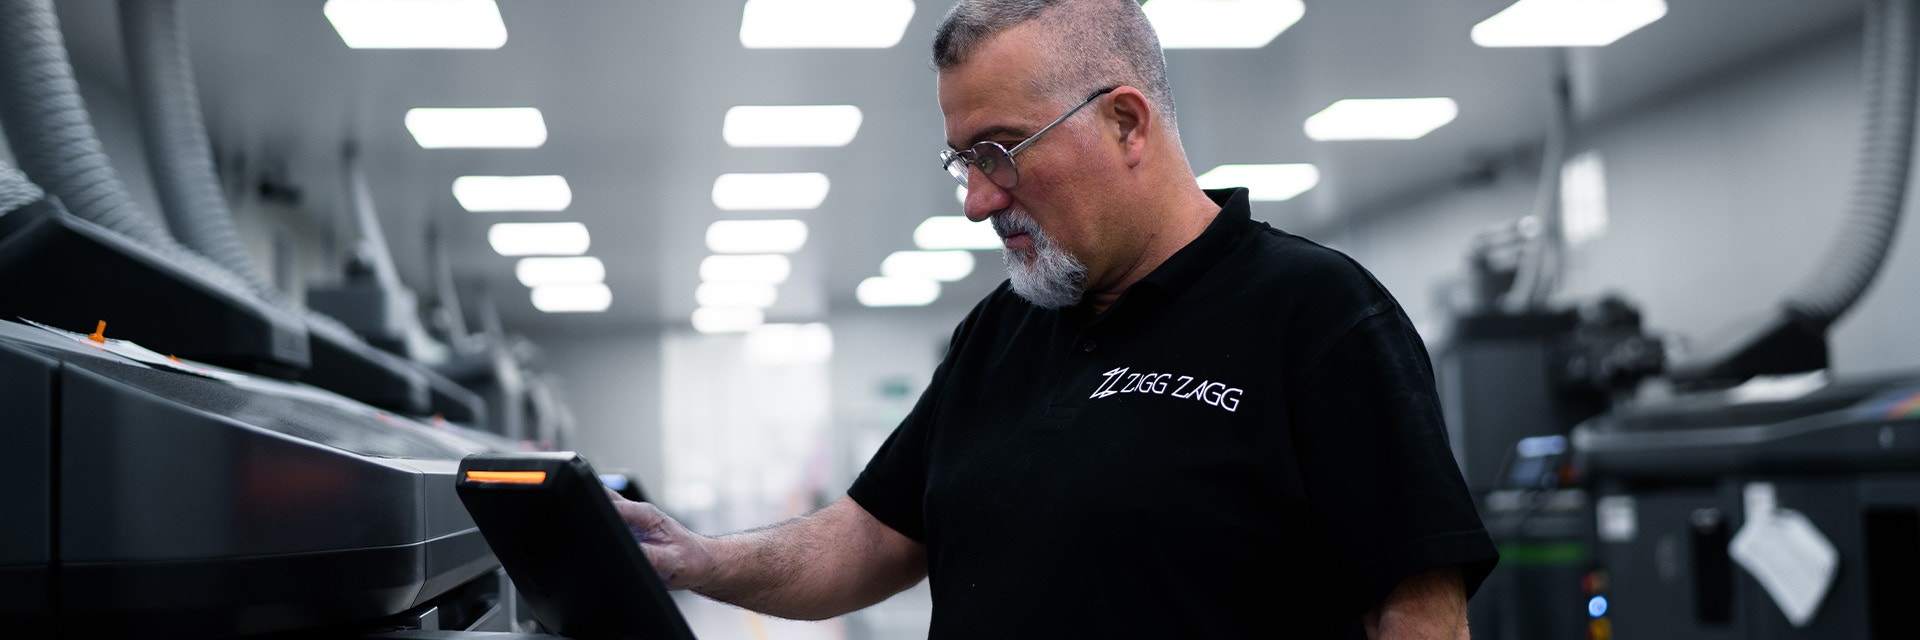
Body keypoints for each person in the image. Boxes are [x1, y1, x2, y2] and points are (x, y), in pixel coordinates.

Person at [609, 0, 1498, 636]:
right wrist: (698, 559)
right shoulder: (999, 333)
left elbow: (1417, 612)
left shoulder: (1317, 315)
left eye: (1000, 151)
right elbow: (871, 536)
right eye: (963, 161)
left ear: (1125, 124)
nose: (977, 200)